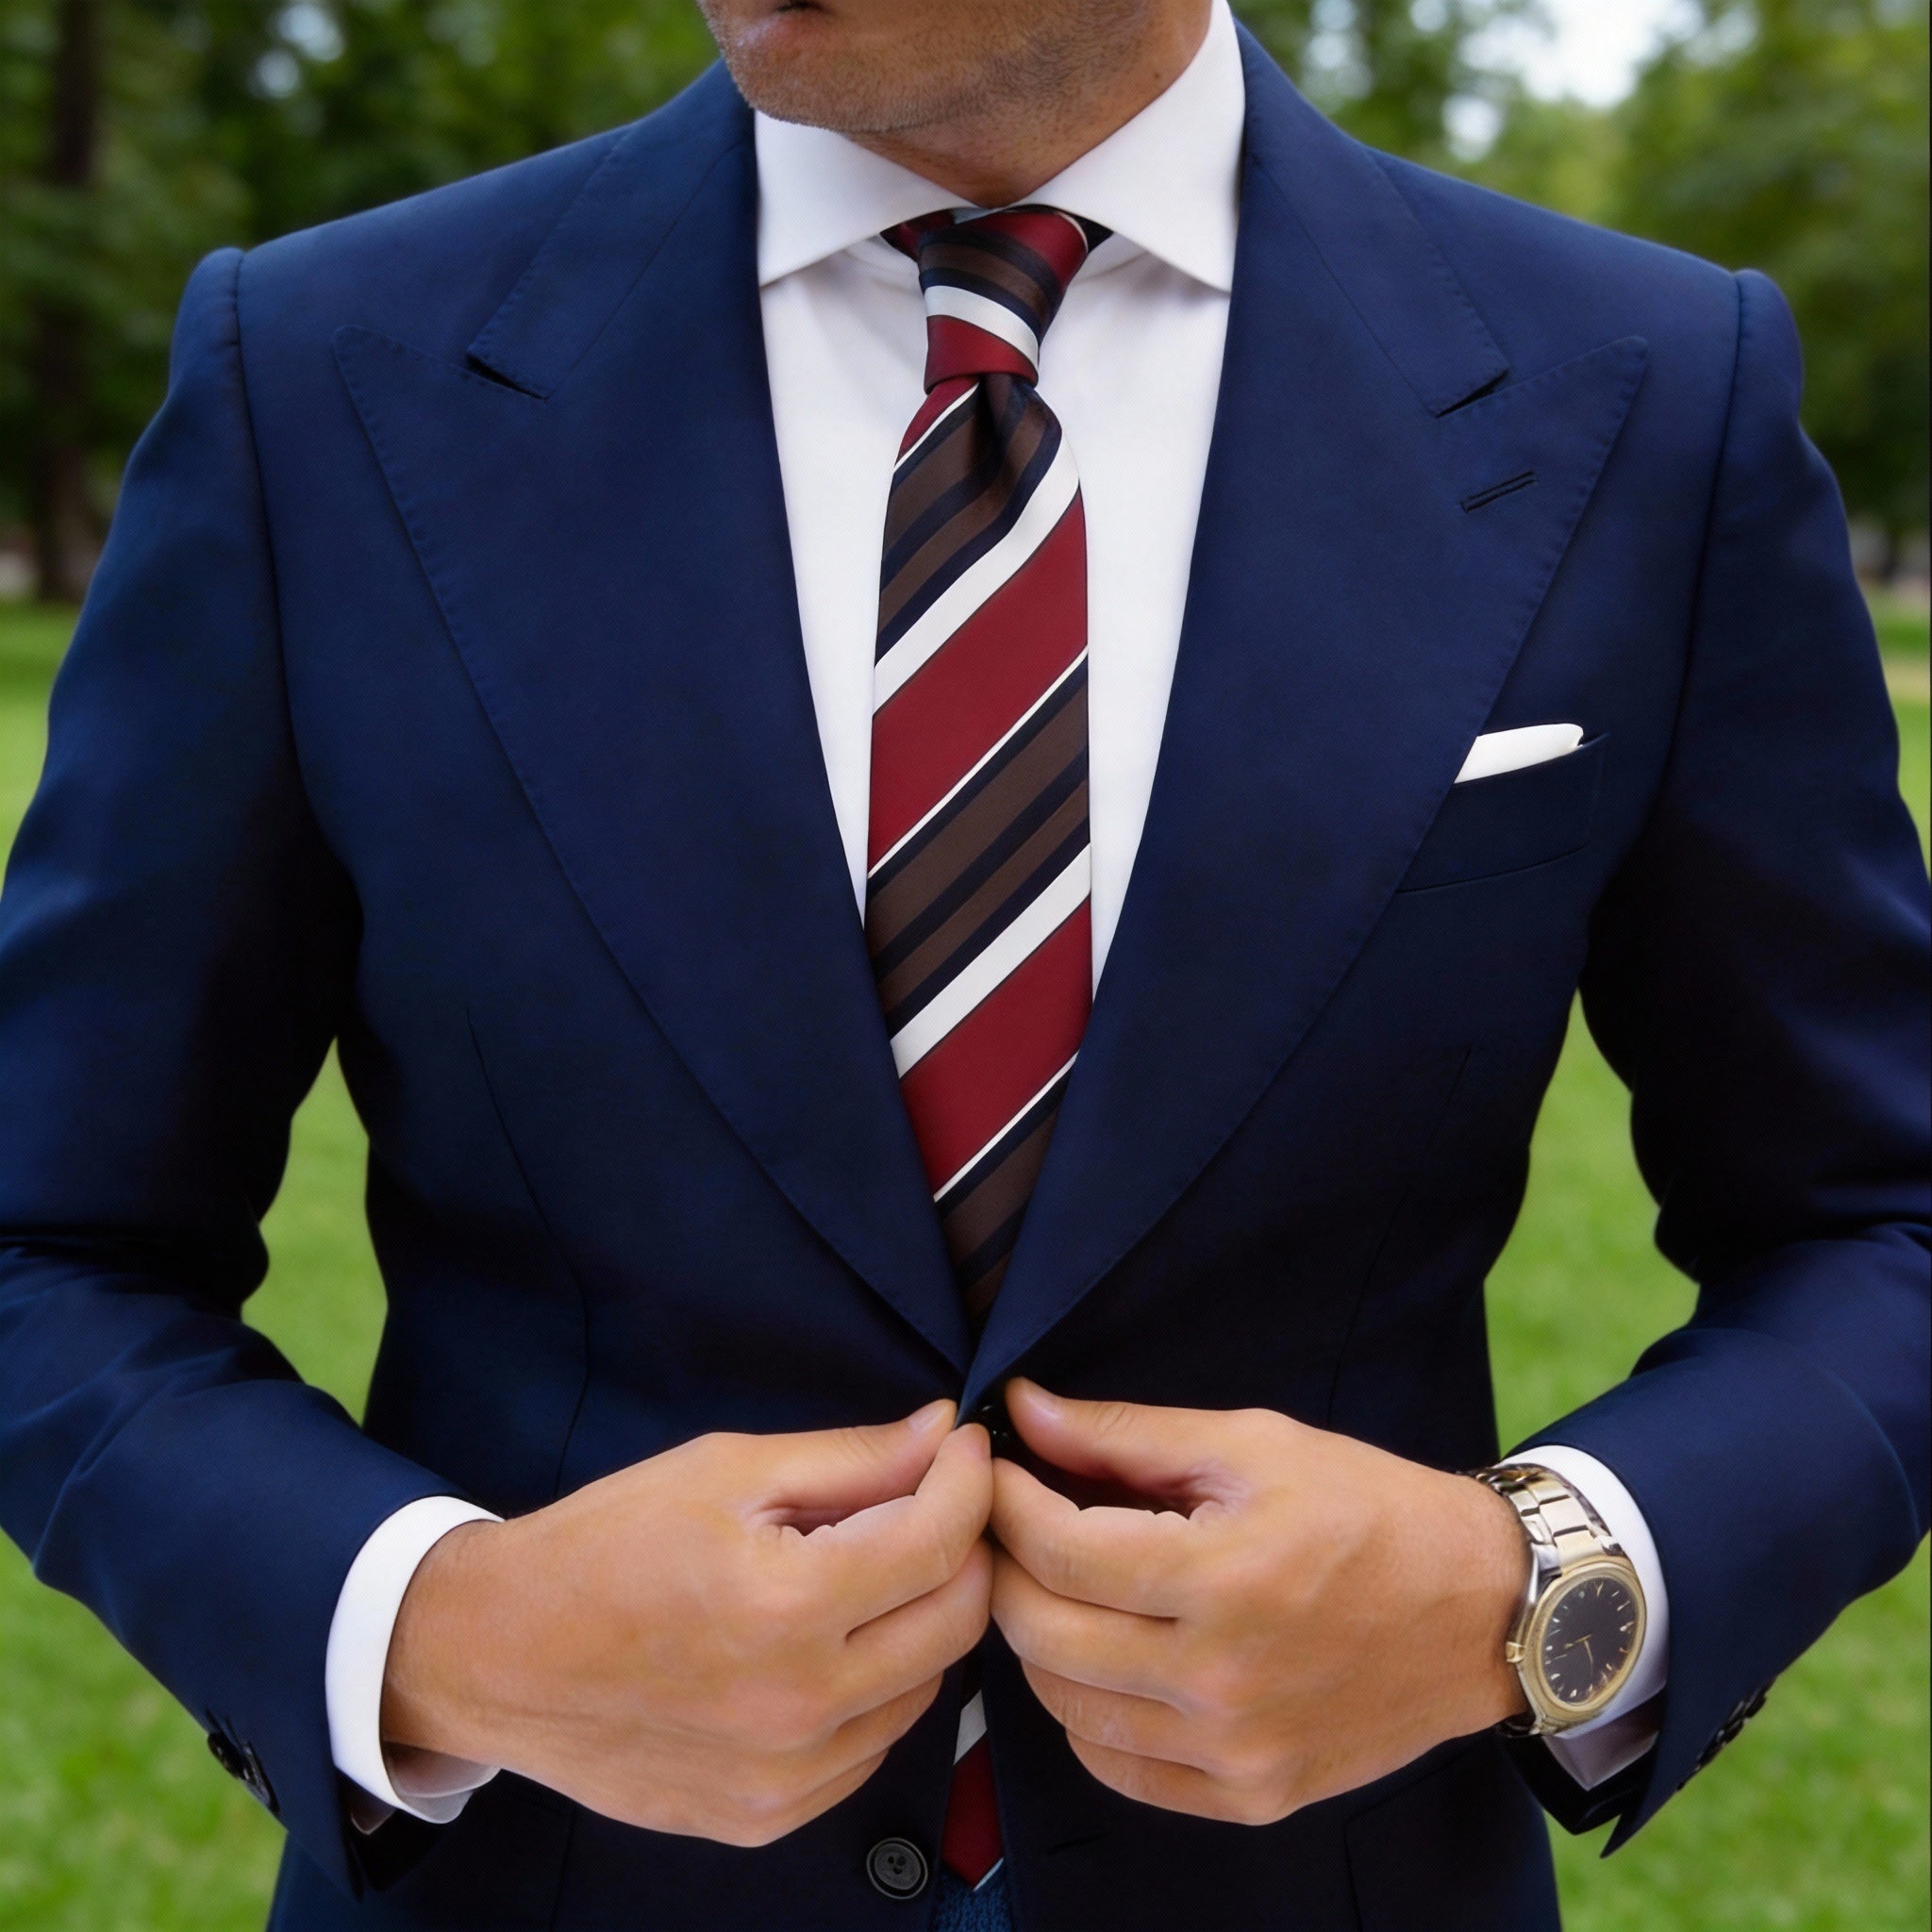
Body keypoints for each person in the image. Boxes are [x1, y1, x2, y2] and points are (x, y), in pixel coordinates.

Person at [0, 0, 1924, 1925]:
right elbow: (51, 1236)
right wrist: (442, 1628)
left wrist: (1535, 1593)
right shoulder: (322, 380)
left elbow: (1877, 1216)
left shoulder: (1646, 395)